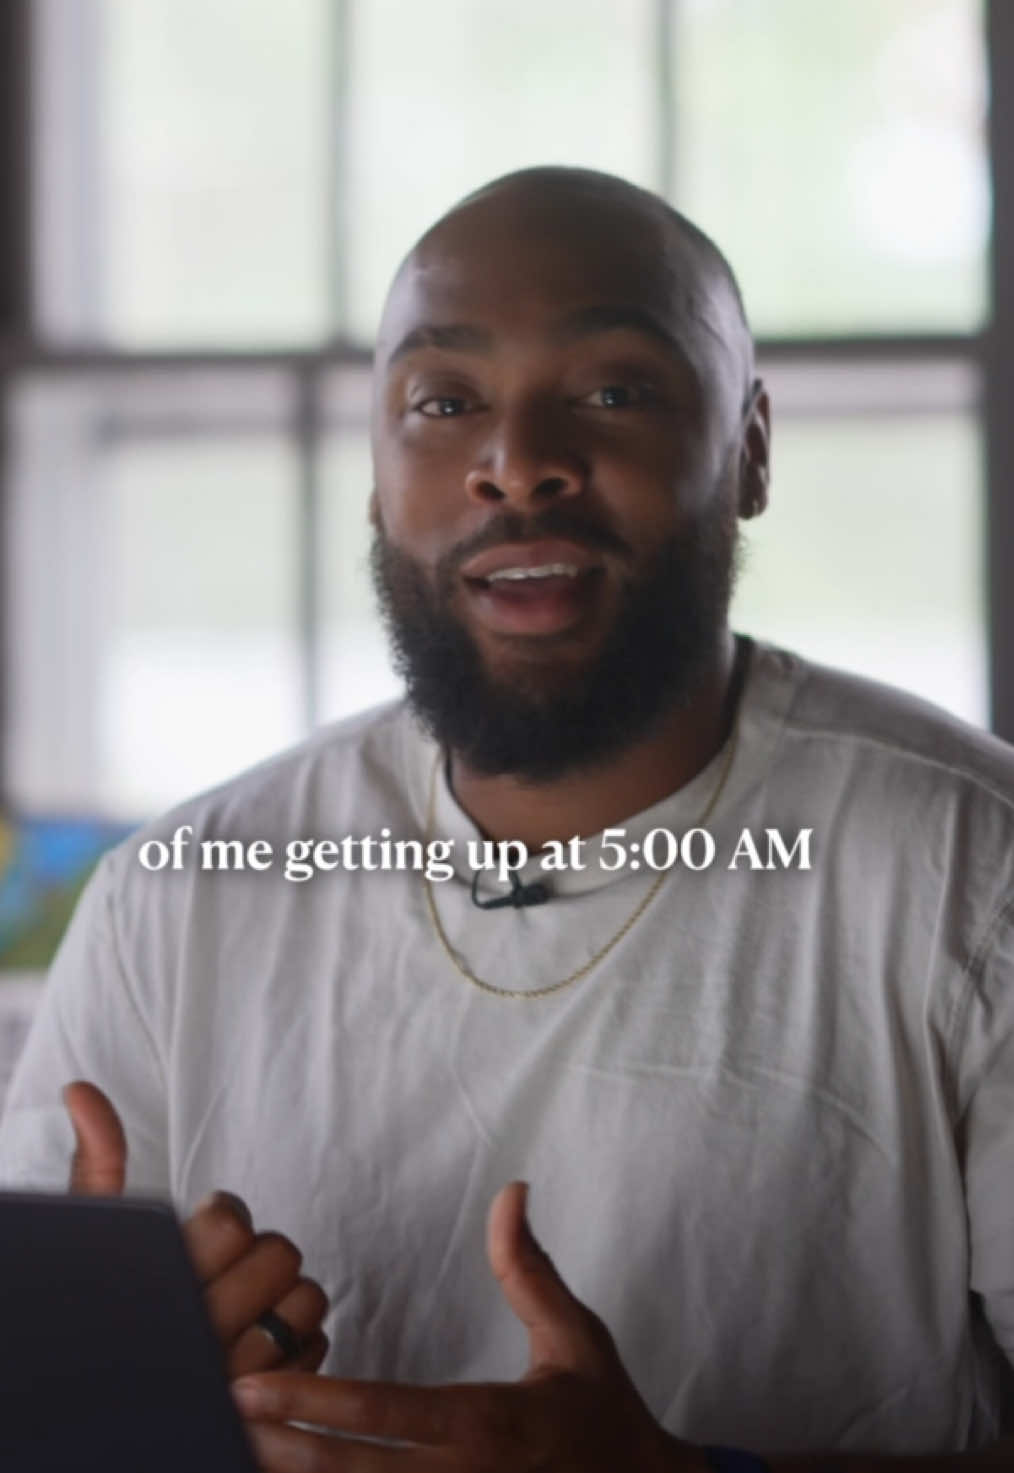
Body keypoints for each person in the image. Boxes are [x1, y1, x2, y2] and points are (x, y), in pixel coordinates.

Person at [2, 164, 1014, 1472]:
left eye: (612, 392)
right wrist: (98, 1392)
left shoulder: (971, 869)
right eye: (444, 403)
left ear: (750, 448)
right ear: (376, 475)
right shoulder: (174, 903)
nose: (518, 464)